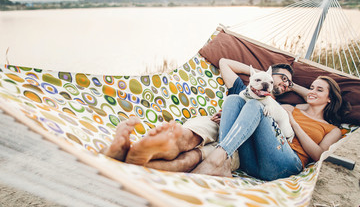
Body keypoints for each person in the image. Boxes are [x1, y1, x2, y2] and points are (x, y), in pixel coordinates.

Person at [103, 58, 306, 172]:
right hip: (219, 124)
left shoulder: (280, 108)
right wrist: (259, 74)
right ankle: (149, 148)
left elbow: (311, 102)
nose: (285, 84)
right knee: (189, 134)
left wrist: (293, 86)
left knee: (193, 158)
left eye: (289, 84)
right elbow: (224, 62)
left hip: (238, 145)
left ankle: (133, 160)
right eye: (282, 78)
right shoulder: (242, 86)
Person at [192, 76, 350, 180]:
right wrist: (229, 115)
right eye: (311, 87)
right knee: (234, 99)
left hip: (285, 165)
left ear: (330, 98)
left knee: (256, 104)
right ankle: (224, 163)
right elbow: (255, 120)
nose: (312, 91)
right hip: (253, 162)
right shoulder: (289, 108)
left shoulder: (332, 129)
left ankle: (216, 159)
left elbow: (318, 155)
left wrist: (294, 124)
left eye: (319, 90)